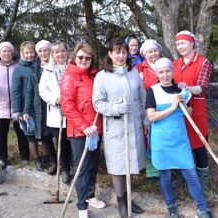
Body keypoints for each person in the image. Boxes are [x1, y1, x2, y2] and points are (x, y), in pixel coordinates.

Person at [146, 58, 212, 218]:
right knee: (165, 175)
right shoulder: (153, 91)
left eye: (168, 70)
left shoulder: (182, 91)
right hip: (161, 141)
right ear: (157, 74)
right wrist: (173, 107)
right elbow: (152, 117)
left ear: (172, 71)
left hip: (180, 139)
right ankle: (171, 208)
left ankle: (202, 208)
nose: (165, 74)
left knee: (191, 173)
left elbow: (189, 113)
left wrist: (184, 106)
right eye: (161, 71)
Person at [92, 38, 147, 218]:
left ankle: (129, 196)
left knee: (131, 162)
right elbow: (97, 103)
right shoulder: (102, 76)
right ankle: (121, 200)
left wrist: (145, 120)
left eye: (124, 52)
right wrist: (116, 108)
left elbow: (142, 96)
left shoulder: (134, 73)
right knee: (118, 165)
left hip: (134, 125)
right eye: (117, 52)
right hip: (115, 127)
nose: (121, 56)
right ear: (110, 54)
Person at [61, 43, 106, 218]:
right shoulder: (69, 77)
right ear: (74, 58)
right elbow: (67, 105)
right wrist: (83, 126)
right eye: (80, 57)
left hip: (96, 127)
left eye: (87, 58)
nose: (84, 60)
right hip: (80, 131)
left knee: (93, 164)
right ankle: (82, 207)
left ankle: (91, 195)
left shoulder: (96, 76)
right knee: (82, 167)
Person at [173, 30, 213, 188]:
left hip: (196, 110)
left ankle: (203, 176)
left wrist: (187, 88)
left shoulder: (204, 62)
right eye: (177, 44)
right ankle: (186, 175)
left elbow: (202, 87)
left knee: (198, 143)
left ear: (191, 43)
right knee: (182, 143)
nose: (180, 46)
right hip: (178, 110)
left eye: (182, 43)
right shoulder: (174, 64)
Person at [0, 41, 29, 169]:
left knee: (22, 133)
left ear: (13, 53)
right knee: (1, 135)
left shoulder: (18, 66)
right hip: (0, 106)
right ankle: (2, 159)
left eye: (9, 51)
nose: (7, 53)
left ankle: (25, 157)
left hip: (17, 106)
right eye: (4, 51)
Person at [38, 41, 72, 183]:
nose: (60, 54)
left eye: (62, 51)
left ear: (67, 52)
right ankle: (64, 169)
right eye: (57, 52)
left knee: (73, 142)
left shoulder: (73, 67)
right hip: (56, 113)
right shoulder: (48, 70)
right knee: (60, 142)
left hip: (73, 113)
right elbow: (42, 90)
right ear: (53, 54)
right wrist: (55, 99)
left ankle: (75, 166)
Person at [23, 40, 56, 174]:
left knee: (61, 137)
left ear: (50, 51)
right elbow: (30, 91)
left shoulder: (57, 65)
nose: (43, 53)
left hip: (56, 105)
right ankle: (55, 162)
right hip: (41, 107)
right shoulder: (35, 68)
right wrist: (26, 110)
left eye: (46, 50)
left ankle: (66, 162)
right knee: (46, 137)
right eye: (40, 51)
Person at [136, 39, 163, 182]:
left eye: (155, 50)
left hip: (165, 107)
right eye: (149, 51)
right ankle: (152, 170)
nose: (153, 53)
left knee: (163, 137)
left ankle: (166, 167)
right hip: (148, 108)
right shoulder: (139, 68)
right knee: (149, 139)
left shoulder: (165, 64)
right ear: (145, 54)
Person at [11, 41, 40, 164]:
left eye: (32, 52)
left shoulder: (39, 66)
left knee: (43, 134)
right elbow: (16, 92)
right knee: (30, 134)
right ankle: (37, 159)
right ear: (22, 53)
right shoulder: (18, 69)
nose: (29, 55)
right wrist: (17, 110)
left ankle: (47, 157)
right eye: (27, 52)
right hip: (26, 107)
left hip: (40, 105)